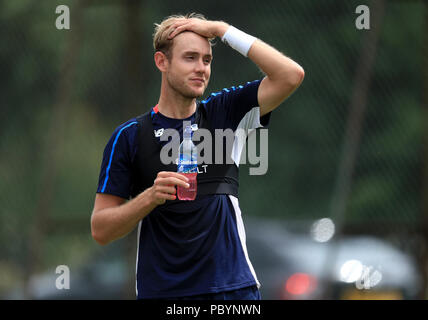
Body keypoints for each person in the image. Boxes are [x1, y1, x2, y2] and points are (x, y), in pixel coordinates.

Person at [91, 13, 304, 300]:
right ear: (161, 62)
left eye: (207, 60)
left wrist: (223, 29)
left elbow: (291, 75)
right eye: (190, 58)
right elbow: (101, 229)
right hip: (165, 295)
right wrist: (149, 197)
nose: (201, 68)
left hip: (233, 292)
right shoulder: (129, 136)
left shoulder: (226, 111)